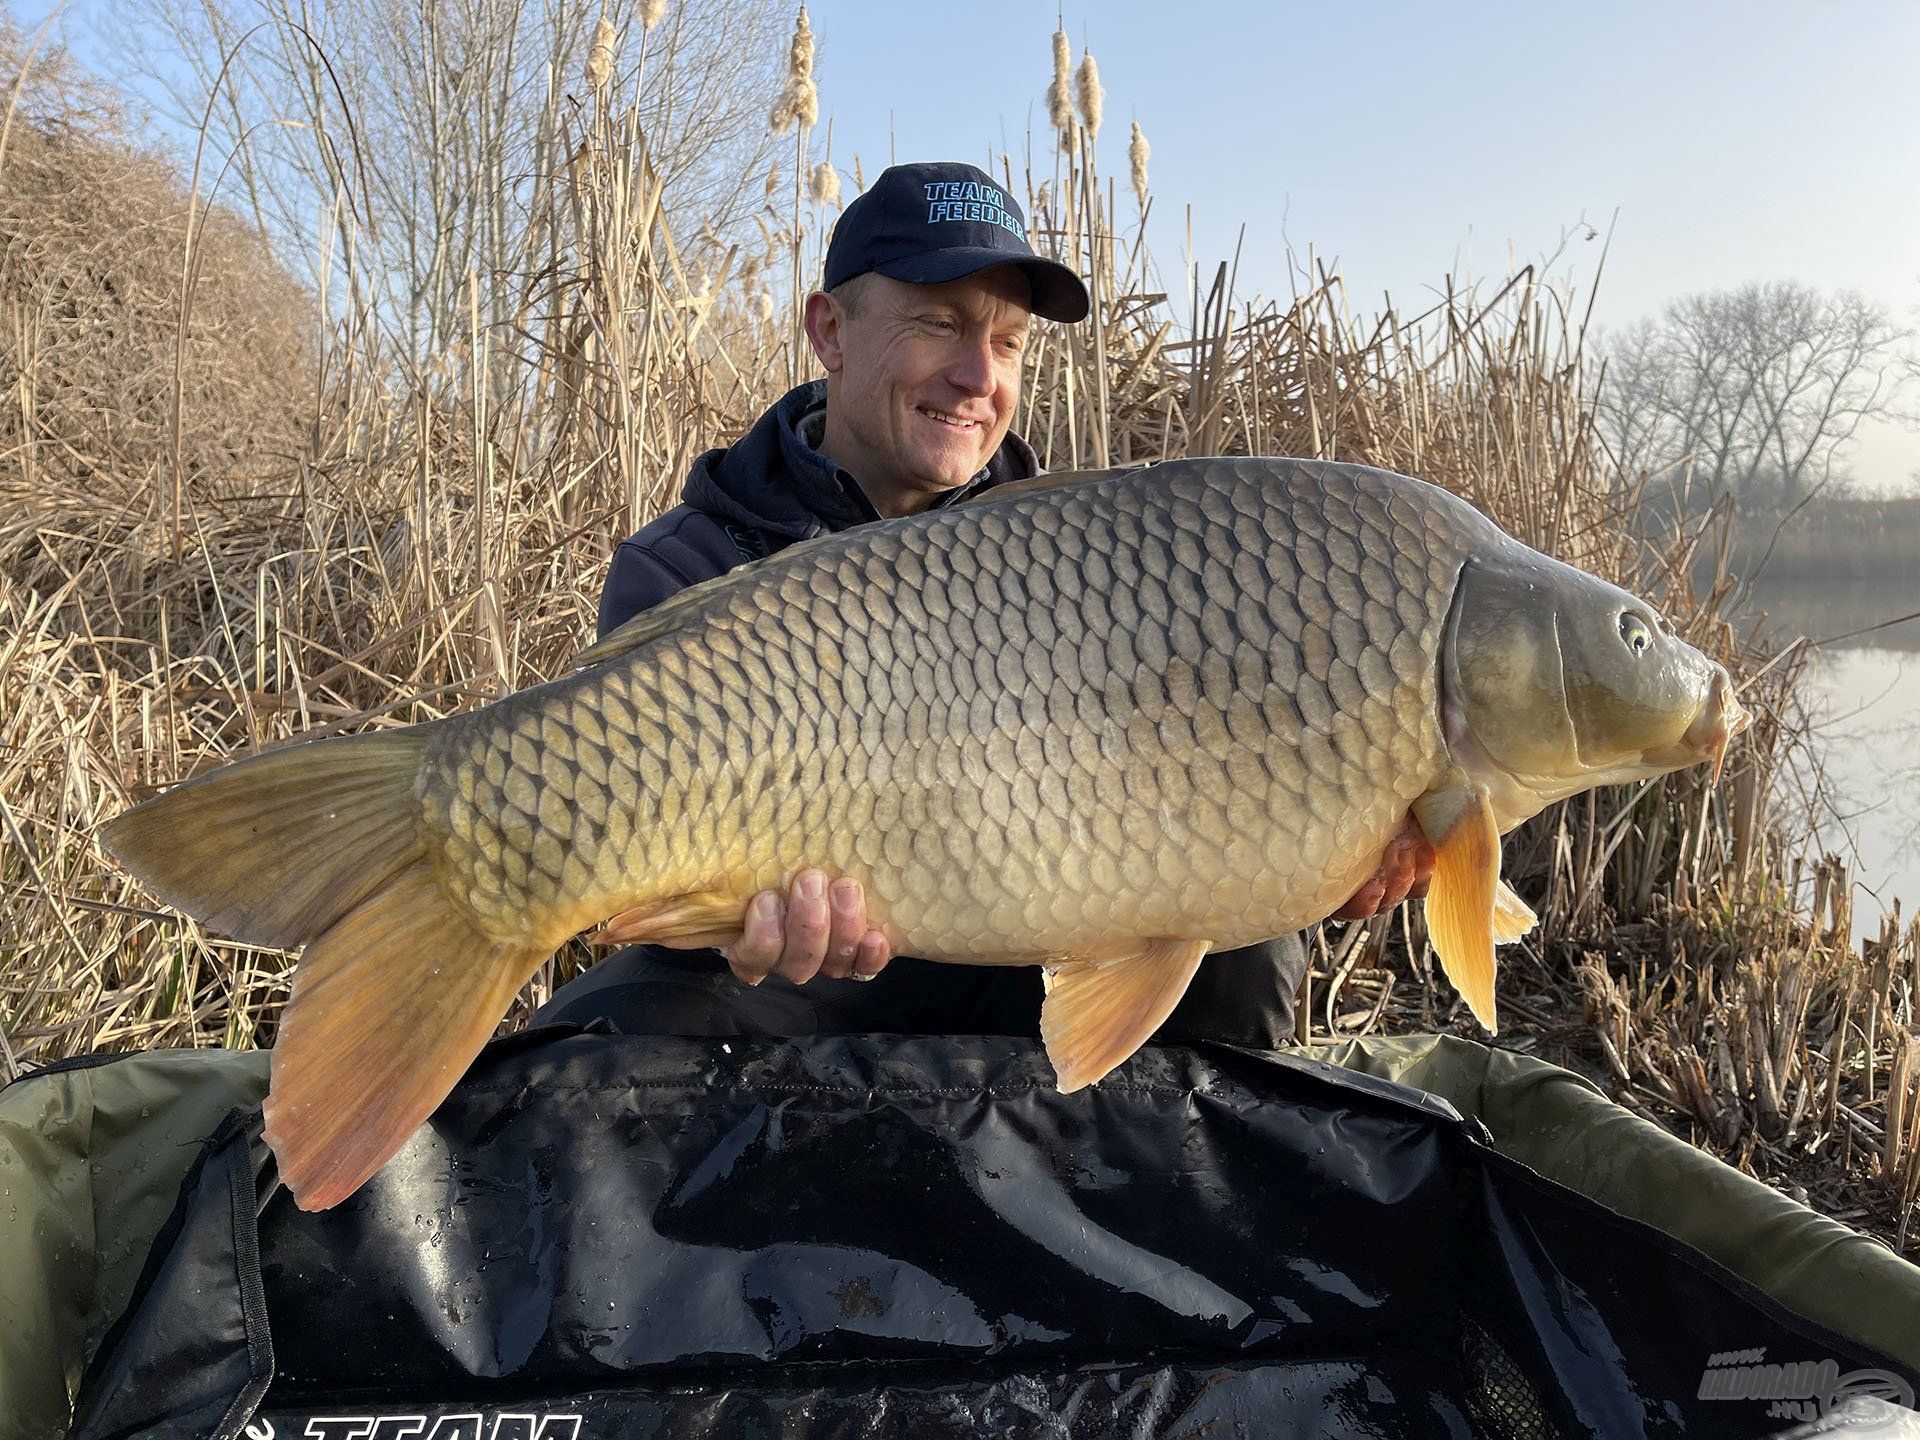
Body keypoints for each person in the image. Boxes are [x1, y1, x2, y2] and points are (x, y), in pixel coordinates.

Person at [536, 161, 1432, 1045]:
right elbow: (647, 883)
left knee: (1247, 939)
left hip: (1034, 959)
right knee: (615, 1022)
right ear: (830, 329)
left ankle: (1163, 1178)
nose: (978, 376)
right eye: (940, 322)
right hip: (806, 995)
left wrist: (1324, 853)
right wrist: (739, 928)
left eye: (1007, 343)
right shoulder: (686, 565)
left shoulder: (1100, 559)